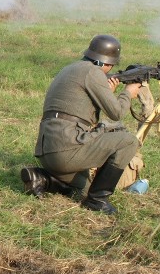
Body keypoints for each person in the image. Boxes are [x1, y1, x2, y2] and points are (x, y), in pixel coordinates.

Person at [21, 34, 141, 215]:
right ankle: (98, 200)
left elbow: (81, 111)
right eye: (111, 66)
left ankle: (44, 178)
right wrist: (126, 93)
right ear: (106, 63)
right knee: (128, 141)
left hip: (48, 152)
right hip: (67, 149)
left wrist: (106, 92)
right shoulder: (94, 72)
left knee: (84, 190)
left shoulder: (70, 69)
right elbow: (116, 114)